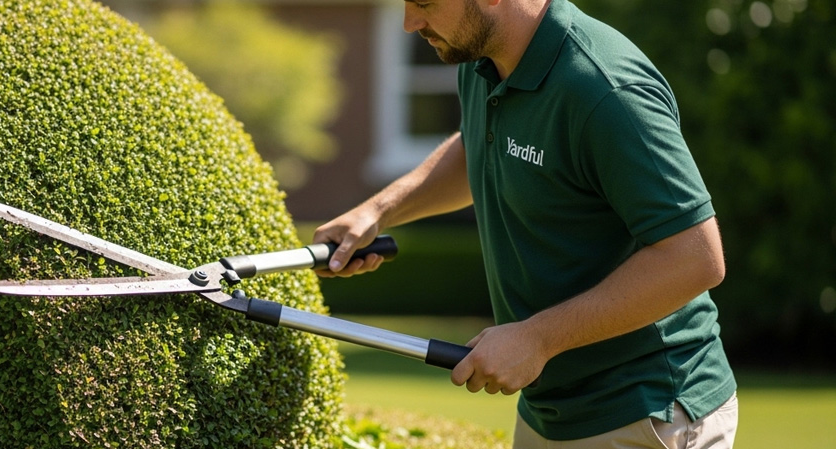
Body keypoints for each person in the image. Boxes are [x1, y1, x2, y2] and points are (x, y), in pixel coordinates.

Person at [313, 0, 738, 447]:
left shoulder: (605, 88)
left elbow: (696, 257)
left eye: (425, 2)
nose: (409, 22)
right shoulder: (482, 62)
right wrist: (378, 211)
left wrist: (537, 338)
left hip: (647, 412)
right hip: (547, 413)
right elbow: (479, 143)